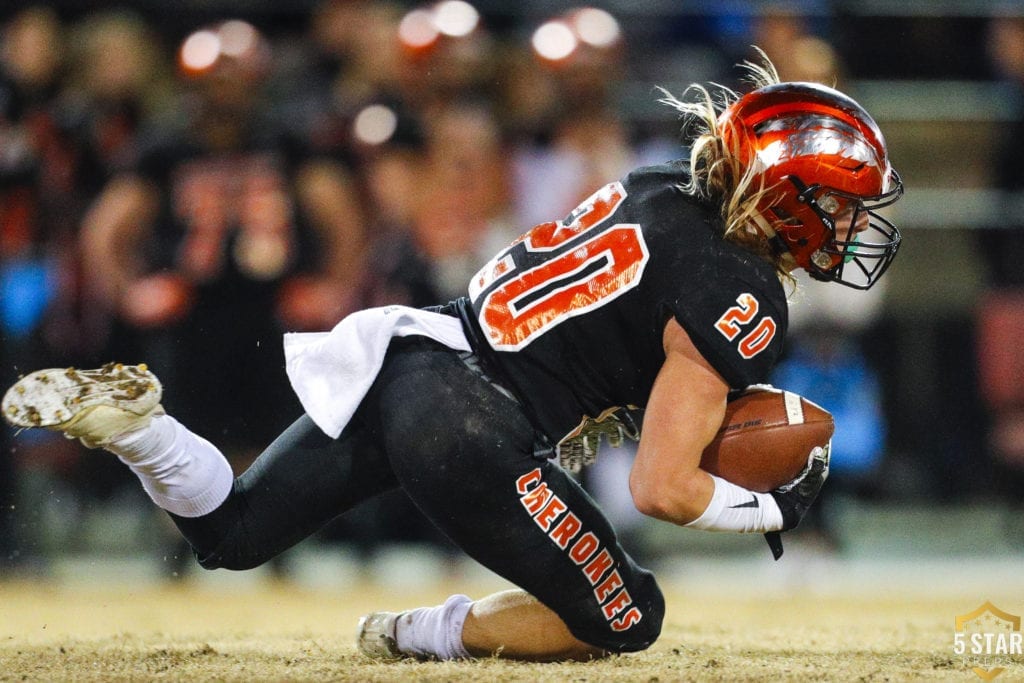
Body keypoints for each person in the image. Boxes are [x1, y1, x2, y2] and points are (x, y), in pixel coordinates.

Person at [1, 55, 903, 662]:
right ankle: (416, 634)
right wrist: (768, 502)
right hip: (476, 420)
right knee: (628, 616)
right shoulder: (740, 290)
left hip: (408, 354)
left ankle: (142, 429)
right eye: (842, 205)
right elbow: (663, 487)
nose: (854, 227)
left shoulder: (660, 185)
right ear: (788, 199)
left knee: (229, 533)